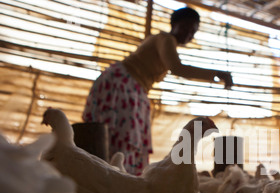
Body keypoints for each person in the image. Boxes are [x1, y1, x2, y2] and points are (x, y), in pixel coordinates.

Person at [83, 7, 233, 175]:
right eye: (185, 27)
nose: (188, 34)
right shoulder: (165, 39)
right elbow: (178, 68)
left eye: (193, 31)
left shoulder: (165, 43)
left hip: (130, 87)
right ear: (174, 24)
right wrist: (217, 73)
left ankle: (115, 177)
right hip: (122, 85)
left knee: (121, 137)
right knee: (124, 139)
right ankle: (115, 178)